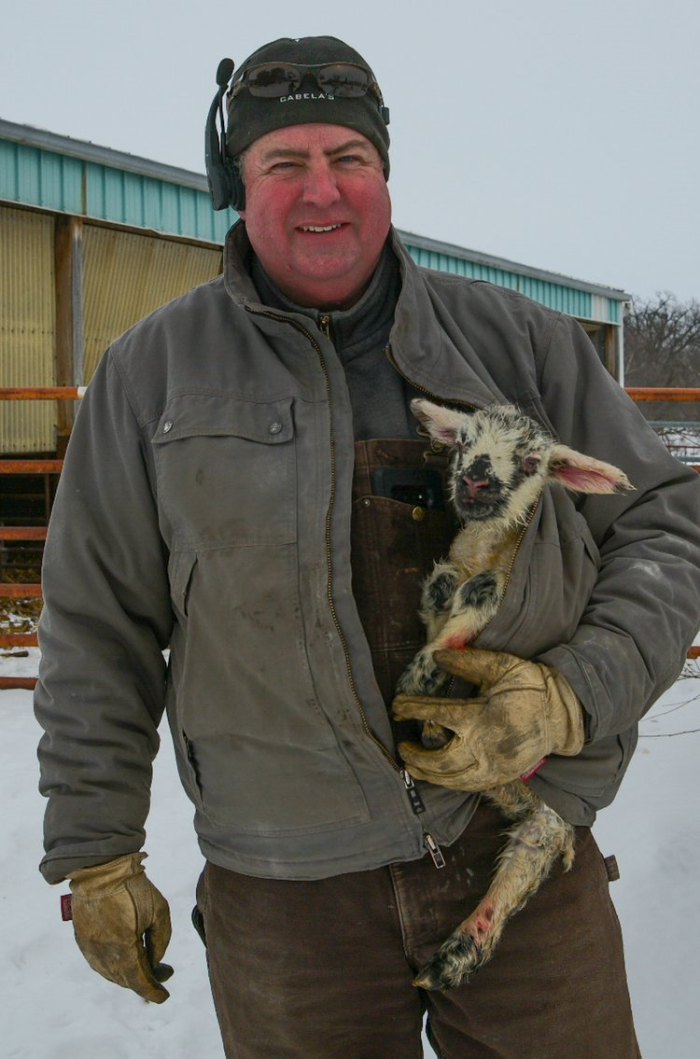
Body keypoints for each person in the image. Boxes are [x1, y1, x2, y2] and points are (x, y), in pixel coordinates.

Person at [35, 35, 700, 1059]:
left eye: (349, 159)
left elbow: (666, 525)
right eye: (282, 164)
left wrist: (572, 695)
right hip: (286, 897)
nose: (322, 193)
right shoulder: (151, 377)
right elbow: (96, 622)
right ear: (234, 186)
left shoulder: (516, 344)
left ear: (384, 175)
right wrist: (96, 851)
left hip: (519, 849)